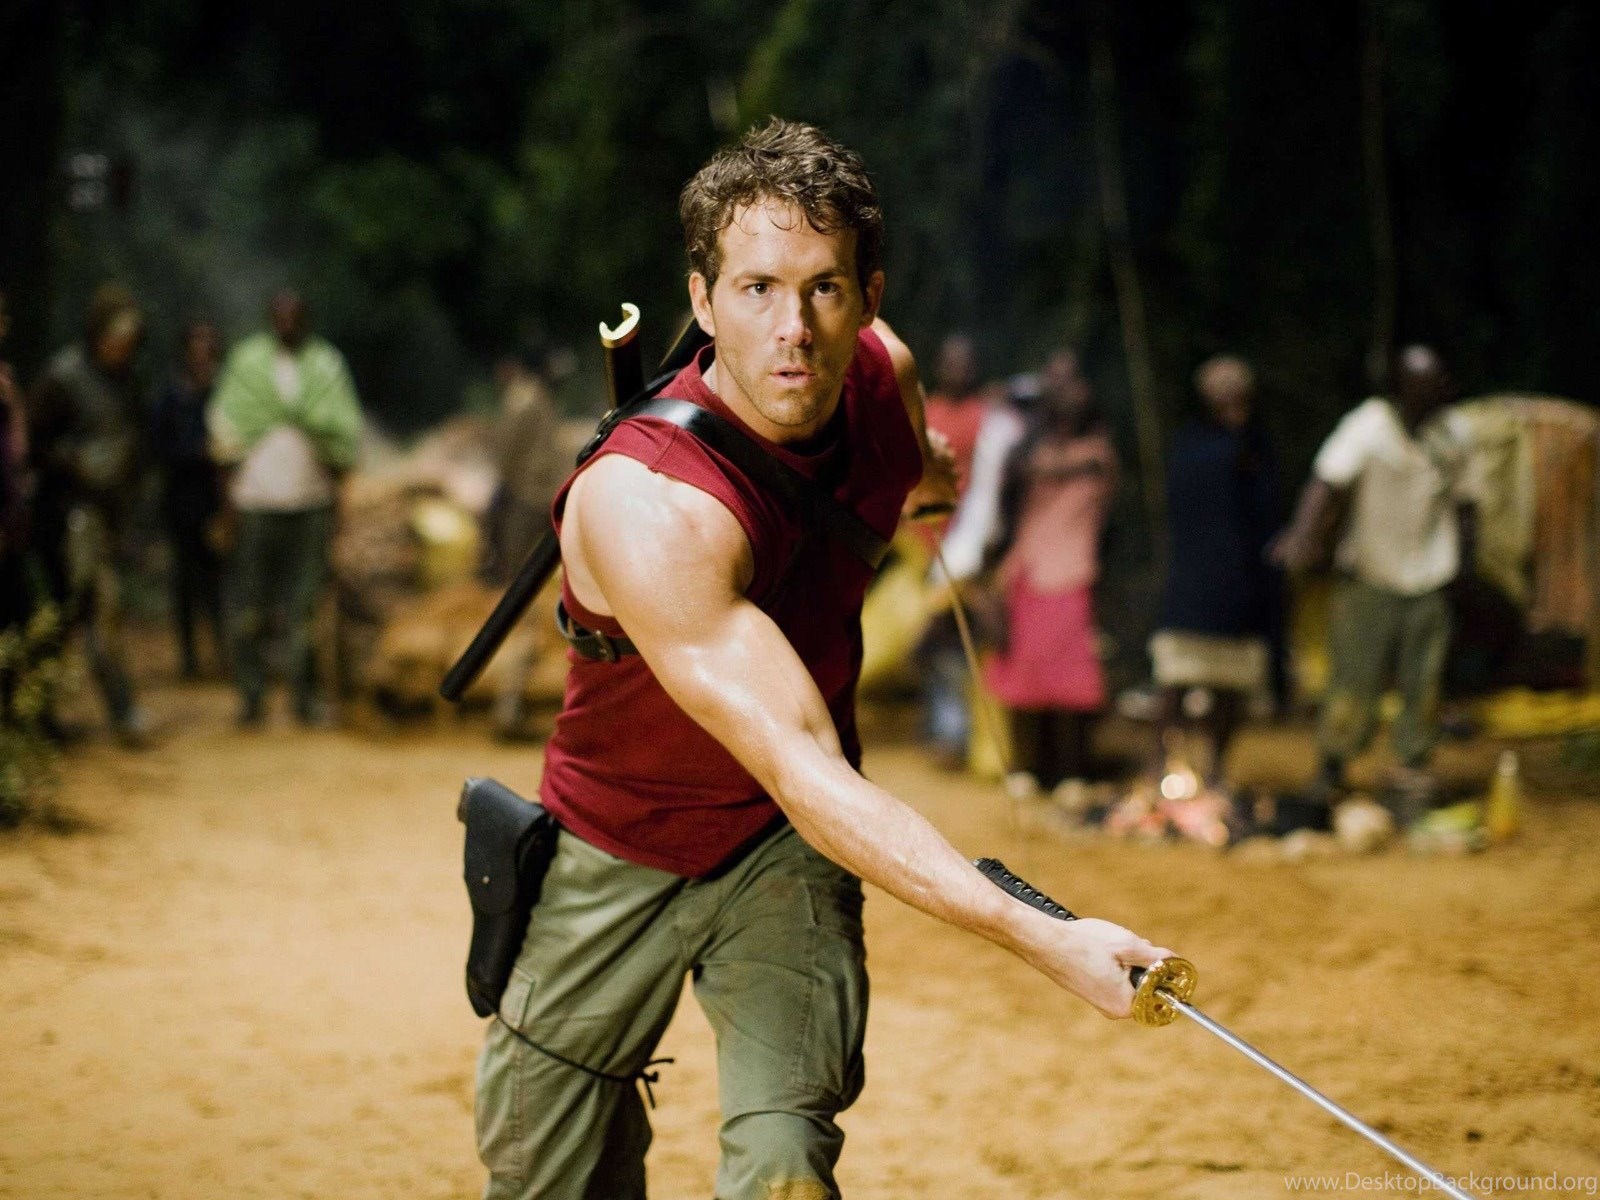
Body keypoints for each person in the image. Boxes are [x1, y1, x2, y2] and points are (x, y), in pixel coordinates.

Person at [473, 119, 1172, 1200]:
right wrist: (1039, 934)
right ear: (703, 302)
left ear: (869, 297)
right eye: (755, 289)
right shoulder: (652, 502)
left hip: (783, 852)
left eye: (824, 289)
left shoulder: (885, 381)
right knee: (545, 1181)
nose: (792, 329)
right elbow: (800, 760)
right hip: (619, 842)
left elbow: (909, 474)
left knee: (786, 1166)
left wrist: (926, 479)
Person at [1271, 344, 1476, 810]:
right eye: (1423, 386)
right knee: (1352, 679)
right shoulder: (1369, 425)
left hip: (1431, 576)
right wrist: (1304, 535)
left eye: (1438, 385)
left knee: (1424, 682)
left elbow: (1468, 504)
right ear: (1403, 388)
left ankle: (1413, 769)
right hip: (1370, 573)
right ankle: (1333, 767)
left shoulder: (1455, 434)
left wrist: (1467, 568)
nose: (1433, 394)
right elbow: (1327, 481)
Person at [208, 290, 362, 727]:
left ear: (307, 319)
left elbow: (342, 440)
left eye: (295, 315)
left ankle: (303, 698)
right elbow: (224, 439)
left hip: (311, 504)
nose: (288, 323)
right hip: (254, 503)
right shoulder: (247, 364)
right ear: (270, 318)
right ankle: (251, 696)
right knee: (248, 607)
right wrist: (226, 508)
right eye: (281, 315)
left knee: (305, 608)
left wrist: (340, 508)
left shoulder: (326, 365)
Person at [979, 350, 1117, 793]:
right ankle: (1027, 768)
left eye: (1069, 381)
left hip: (1074, 570)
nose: (1062, 391)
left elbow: (1078, 467)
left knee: (1071, 680)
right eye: (1053, 381)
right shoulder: (1029, 446)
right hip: (1027, 568)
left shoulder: (1095, 451)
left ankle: (1071, 770)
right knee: (1025, 678)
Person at [25, 283, 151, 745]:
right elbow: (33, 446)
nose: (121, 347)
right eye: (114, 338)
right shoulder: (62, 379)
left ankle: (112, 711)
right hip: (63, 517)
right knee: (64, 614)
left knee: (94, 611)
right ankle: (40, 714)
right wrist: (75, 462)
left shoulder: (128, 381)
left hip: (104, 516)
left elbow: (134, 448)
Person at [1149, 355, 1282, 784]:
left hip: (1242, 581)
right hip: (1193, 577)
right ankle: (1158, 766)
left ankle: (1216, 770)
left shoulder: (1256, 444)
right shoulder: (1193, 443)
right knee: (1175, 679)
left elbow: (1266, 511)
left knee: (1230, 686)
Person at [481, 349, 569, 740]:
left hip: (533, 508)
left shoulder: (533, 402)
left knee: (528, 610)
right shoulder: (529, 403)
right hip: (528, 510)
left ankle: (511, 707)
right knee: (524, 609)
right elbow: (509, 462)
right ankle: (508, 707)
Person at [914, 332, 990, 767]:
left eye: (965, 363)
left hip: (968, 547)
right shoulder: (925, 410)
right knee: (934, 641)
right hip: (924, 543)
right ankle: (944, 728)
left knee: (960, 641)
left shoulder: (986, 415)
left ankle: (957, 734)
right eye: (951, 362)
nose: (958, 370)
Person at [149, 320, 227, 679]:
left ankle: (222, 654)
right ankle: (190, 659)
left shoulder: (224, 394)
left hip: (218, 502)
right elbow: (157, 447)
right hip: (181, 502)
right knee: (184, 582)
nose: (201, 357)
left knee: (218, 581)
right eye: (196, 350)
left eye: (207, 350)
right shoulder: (171, 398)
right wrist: (197, 452)